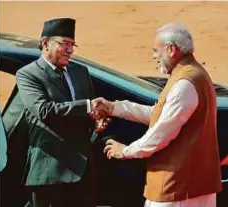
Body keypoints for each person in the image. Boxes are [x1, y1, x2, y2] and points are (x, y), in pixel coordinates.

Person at [95, 23, 222, 207]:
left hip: (178, 189)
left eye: (156, 50)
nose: (154, 56)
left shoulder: (185, 83)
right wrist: (114, 108)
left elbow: (160, 135)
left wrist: (125, 151)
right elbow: (158, 114)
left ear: (171, 49)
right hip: (190, 188)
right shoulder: (191, 75)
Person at [16, 17, 108, 207]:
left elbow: (86, 113)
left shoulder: (79, 72)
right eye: (64, 43)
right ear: (45, 44)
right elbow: (44, 111)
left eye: (73, 44)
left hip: (83, 172)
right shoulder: (28, 74)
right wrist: (88, 106)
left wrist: (96, 121)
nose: (70, 49)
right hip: (52, 174)